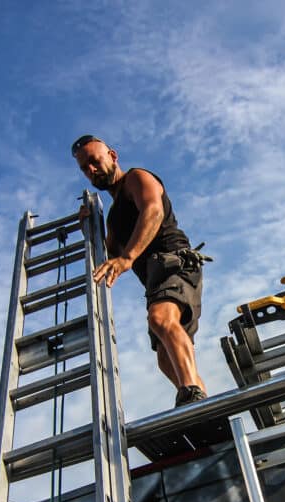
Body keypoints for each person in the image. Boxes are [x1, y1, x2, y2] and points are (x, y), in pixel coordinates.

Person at [71, 134, 208, 407]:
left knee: (160, 319)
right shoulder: (113, 216)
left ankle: (192, 394)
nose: (91, 170)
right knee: (165, 359)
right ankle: (204, 408)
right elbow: (110, 254)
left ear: (112, 155)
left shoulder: (136, 177)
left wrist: (129, 258)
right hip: (155, 279)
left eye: (94, 161)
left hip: (174, 261)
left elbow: (153, 210)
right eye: (85, 168)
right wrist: (86, 228)